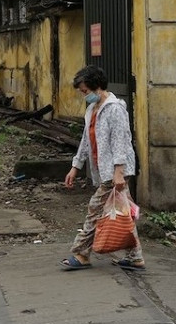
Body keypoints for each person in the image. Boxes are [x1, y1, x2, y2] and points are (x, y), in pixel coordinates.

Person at [61, 65, 144, 271]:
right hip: (105, 170)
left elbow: (120, 142)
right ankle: (135, 257)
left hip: (114, 172)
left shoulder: (114, 109)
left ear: (97, 87)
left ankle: (81, 254)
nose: (84, 96)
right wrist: (75, 166)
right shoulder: (92, 109)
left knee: (95, 210)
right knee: (124, 212)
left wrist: (118, 172)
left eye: (85, 91)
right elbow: (85, 141)